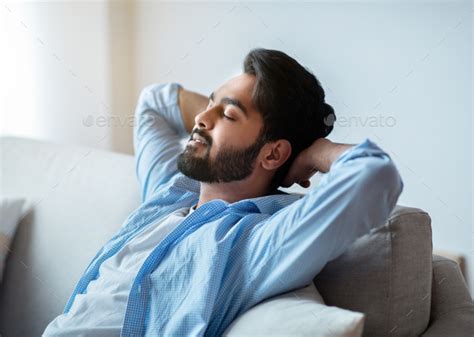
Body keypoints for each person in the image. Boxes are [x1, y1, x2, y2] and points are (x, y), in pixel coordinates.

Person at [43, 48, 403, 336]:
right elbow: (155, 102)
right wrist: (221, 111)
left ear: (273, 153)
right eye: (209, 103)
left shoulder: (257, 243)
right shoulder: (168, 197)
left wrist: (313, 151)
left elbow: (374, 175)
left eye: (228, 115)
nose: (202, 118)